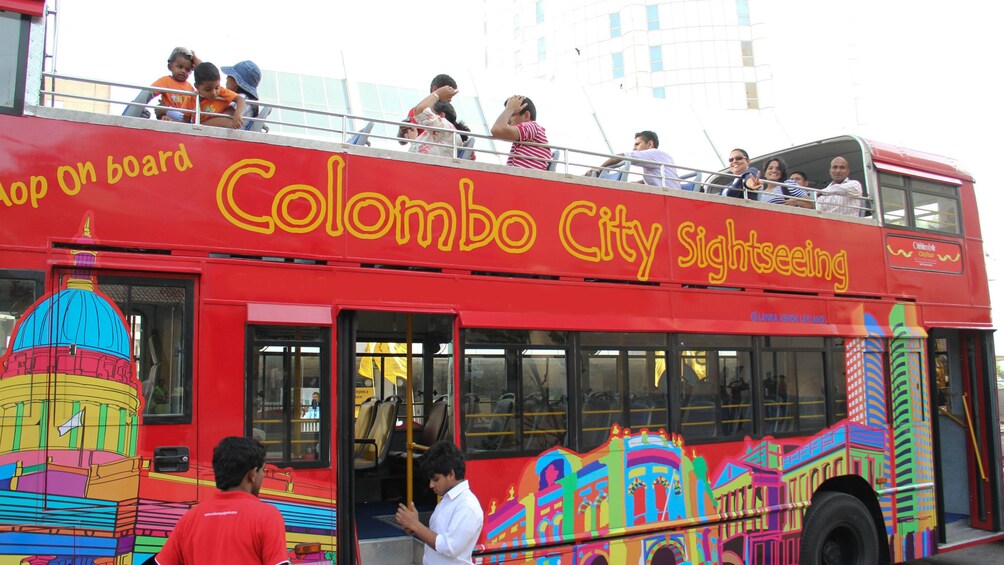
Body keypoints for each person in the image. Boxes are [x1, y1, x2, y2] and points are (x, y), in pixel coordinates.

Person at [156, 436, 289, 565]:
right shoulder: (267, 516)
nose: (262, 476)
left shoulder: (190, 518)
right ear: (253, 474)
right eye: (263, 470)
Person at [395, 441, 483, 565]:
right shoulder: (448, 499)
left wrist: (416, 525)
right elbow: (439, 537)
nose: (431, 485)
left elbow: (449, 548)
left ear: (451, 474)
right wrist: (415, 528)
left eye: (435, 479)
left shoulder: (467, 506)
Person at [586, 130, 680, 190]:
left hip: (667, 197)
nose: (634, 148)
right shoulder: (665, 156)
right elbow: (659, 179)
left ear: (650, 144)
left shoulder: (653, 152)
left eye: (637, 144)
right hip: (672, 195)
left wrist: (598, 169)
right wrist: (634, 183)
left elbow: (621, 156)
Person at [490, 95, 550, 170]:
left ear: (526, 116)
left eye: (512, 115)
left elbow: (497, 130)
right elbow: (498, 132)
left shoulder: (532, 126)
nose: (508, 121)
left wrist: (509, 109)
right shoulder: (529, 132)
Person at [408, 85, 470, 157]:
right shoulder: (437, 132)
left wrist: (438, 93)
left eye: (430, 111)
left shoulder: (445, 126)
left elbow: (419, 110)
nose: (427, 112)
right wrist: (414, 140)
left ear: (441, 115)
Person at [398, 74, 459, 144]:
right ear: (435, 90)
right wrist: (402, 131)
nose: (450, 98)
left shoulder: (448, 112)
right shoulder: (415, 111)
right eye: (448, 93)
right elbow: (402, 142)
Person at [189, 62, 245, 129]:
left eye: (216, 88)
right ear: (197, 87)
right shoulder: (192, 97)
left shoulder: (222, 91)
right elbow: (185, 119)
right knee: (228, 122)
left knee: (231, 110)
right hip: (201, 127)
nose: (213, 92)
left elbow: (240, 99)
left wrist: (237, 114)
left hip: (217, 121)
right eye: (208, 90)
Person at [151, 47, 199, 122]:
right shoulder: (165, 81)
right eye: (179, 67)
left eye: (187, 70)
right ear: (170, 67)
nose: (183, 71)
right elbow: (148, 93)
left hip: (184, 120)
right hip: (168, 120)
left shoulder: (190, 88)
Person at [221, 60, 262, 128]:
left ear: (236, 81)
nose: (226, 78)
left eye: (229, 76)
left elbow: (222, 120)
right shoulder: (247, 99)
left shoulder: (241, 98)